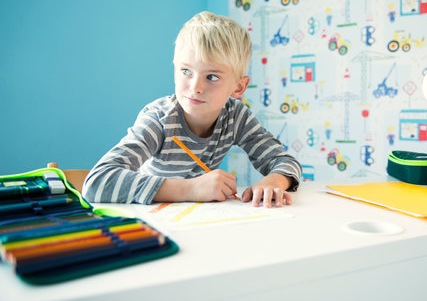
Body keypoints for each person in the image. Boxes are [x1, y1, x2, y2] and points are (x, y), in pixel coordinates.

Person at [82, 11, 301, 208]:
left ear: (238, 86)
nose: (195, 87)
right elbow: (97, 182)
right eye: (186, 71)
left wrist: (272, 182)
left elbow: (286, 162)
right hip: (151, 221)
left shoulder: (236, 117)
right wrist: (193, 189)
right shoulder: (159, 118)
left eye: (212, 77)